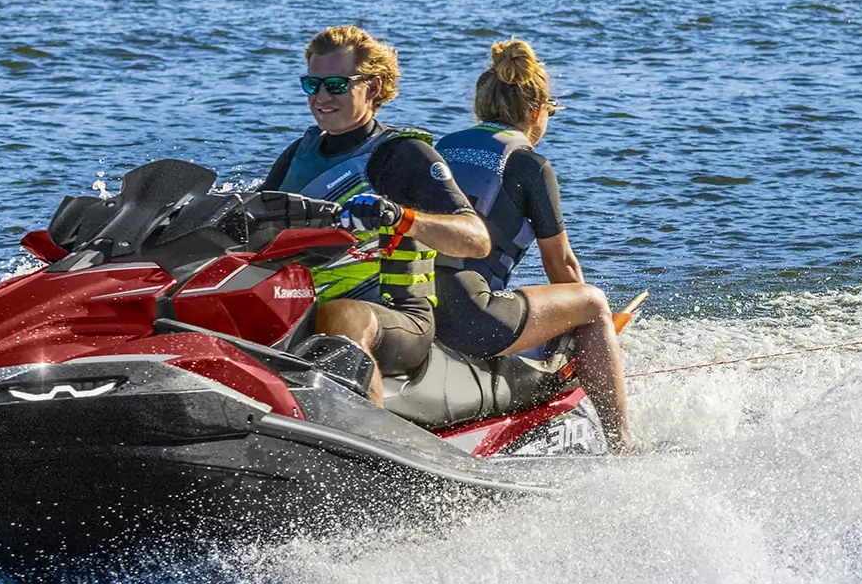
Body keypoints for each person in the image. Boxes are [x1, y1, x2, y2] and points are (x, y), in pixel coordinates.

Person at [262, 25, 489, 400]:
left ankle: (367, 441)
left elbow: (476, 240)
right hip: (299, 306)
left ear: (375, 87)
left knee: (341, 317)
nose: (320, 97)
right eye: (311, 85)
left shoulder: (403, 155)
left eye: (336, 85)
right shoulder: (297, 154)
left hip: (393, 313)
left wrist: (399, 217)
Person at [430, 39, 631, 444]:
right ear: (537, 111)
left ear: (479, 106)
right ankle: (623, 441)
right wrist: (582, 327)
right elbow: (562, 267)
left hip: (416, 308)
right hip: (469, 319)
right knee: (591, 304)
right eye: (550, 113)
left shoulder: (440, 148)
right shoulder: (527, 163)